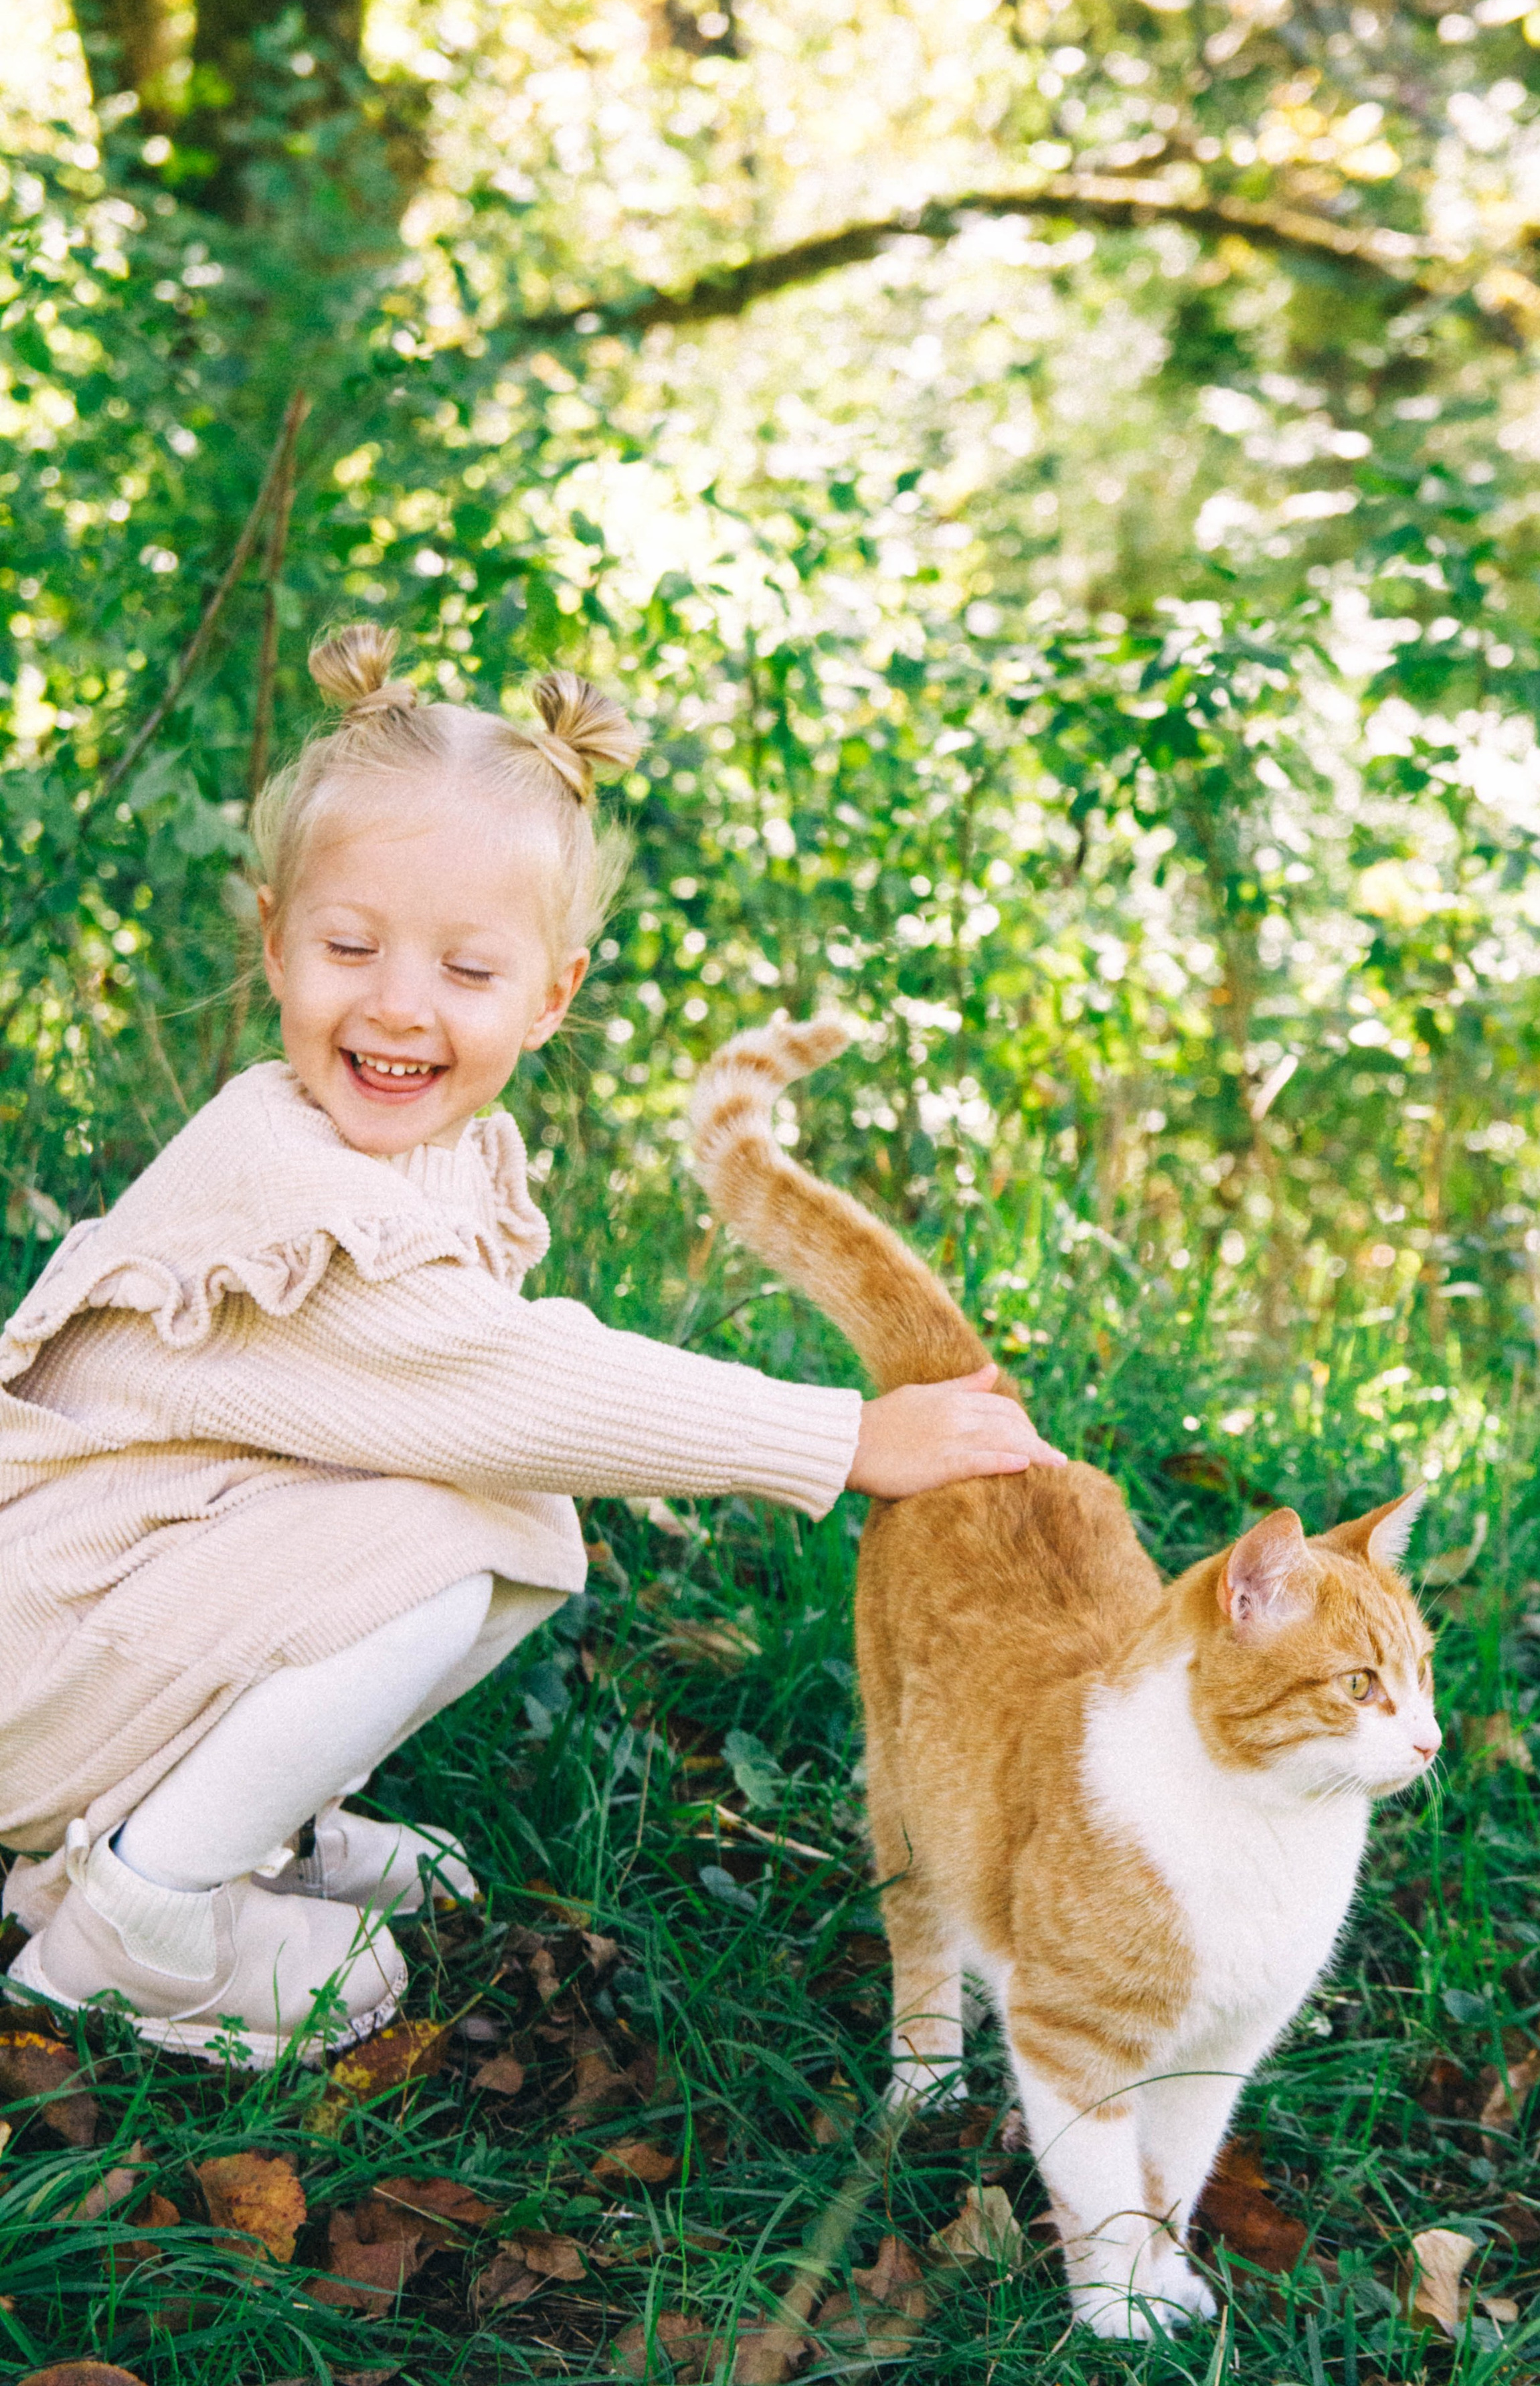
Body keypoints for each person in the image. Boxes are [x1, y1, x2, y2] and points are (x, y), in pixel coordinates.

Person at [0, 624, 1063, 2067]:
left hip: (100, 1595)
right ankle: (142, 1917)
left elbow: (495, 1375)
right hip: (39, 1638)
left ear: (549, 997)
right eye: (350, 945)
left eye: (466, 968)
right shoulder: (291, 1180)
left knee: (501, 1507)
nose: (396, 1003)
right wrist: (839, 1438)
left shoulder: (434, 1146)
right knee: (447, 1536)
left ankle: (241, 1821)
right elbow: (491, 1381)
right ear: (275, 942)